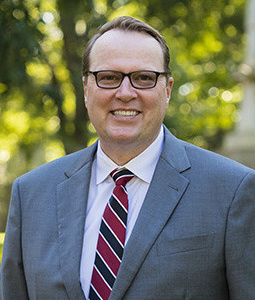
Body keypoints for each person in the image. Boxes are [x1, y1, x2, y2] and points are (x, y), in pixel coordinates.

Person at [0, 16, 255, 300]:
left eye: (143, 78)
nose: (125, 93)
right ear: (86, 89)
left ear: (167, 90)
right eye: (108, 77)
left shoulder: (233, 191)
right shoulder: (32, 194)